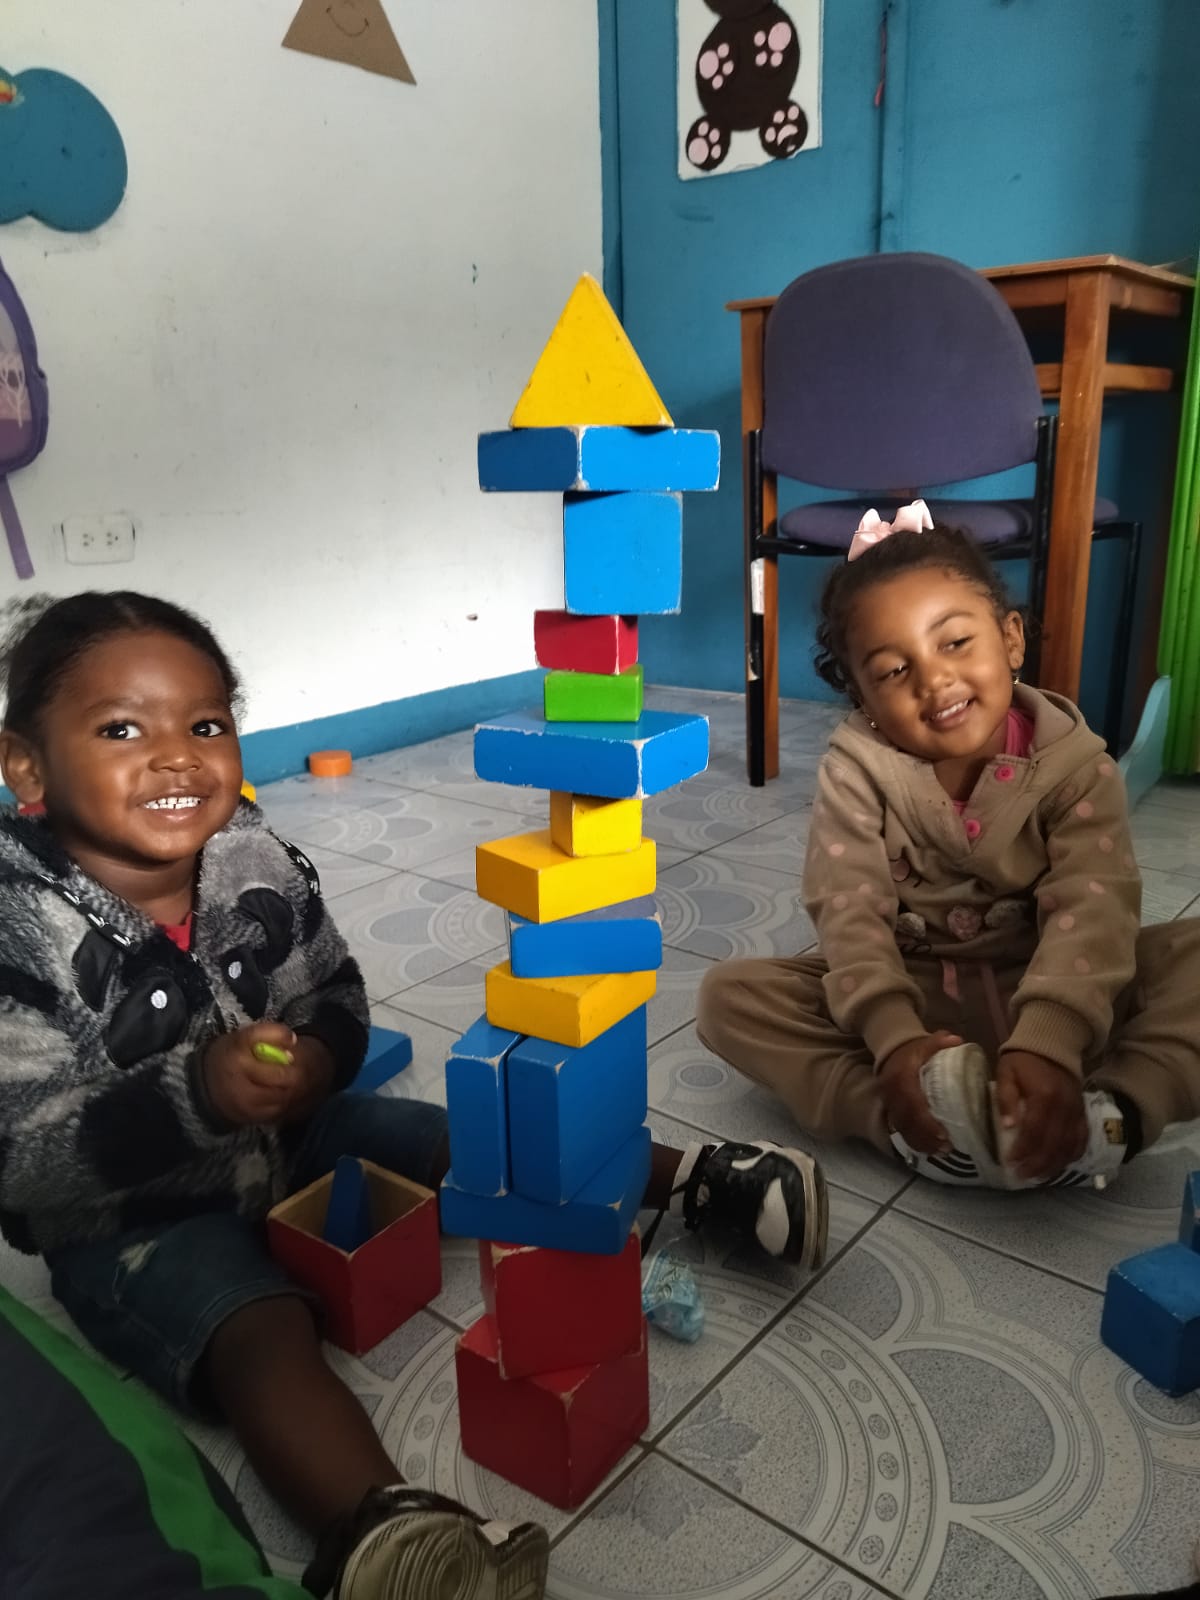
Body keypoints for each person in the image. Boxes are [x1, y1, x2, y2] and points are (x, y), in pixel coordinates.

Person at [0, 591, 828, 1600]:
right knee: (259, 1328)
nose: (177, 756)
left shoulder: (252, 852)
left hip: (294, 1138)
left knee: (472, 1132)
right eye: (123, 729)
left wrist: (321, 1058)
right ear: (26, 767)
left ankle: (700, 1179)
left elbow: (336, 994)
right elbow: (19, 1154)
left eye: (206, 725)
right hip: (134, 1219)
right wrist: (198, 1094)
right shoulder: (17, 926)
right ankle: (393, 1537)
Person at [697, 505, 1200, 1189]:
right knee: (728, 998)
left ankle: (1110, 1117)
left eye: (955, 642)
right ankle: (914, 1126)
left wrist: (1051, 1039)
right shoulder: (856, 772)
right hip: (922, 1004)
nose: (932, 680)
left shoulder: (1077, 767)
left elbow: (1095, 906)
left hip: (1061, 984)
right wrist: (894, 1038)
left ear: (1011, 639)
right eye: (892, 670)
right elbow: (849, 913)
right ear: (863, 699)